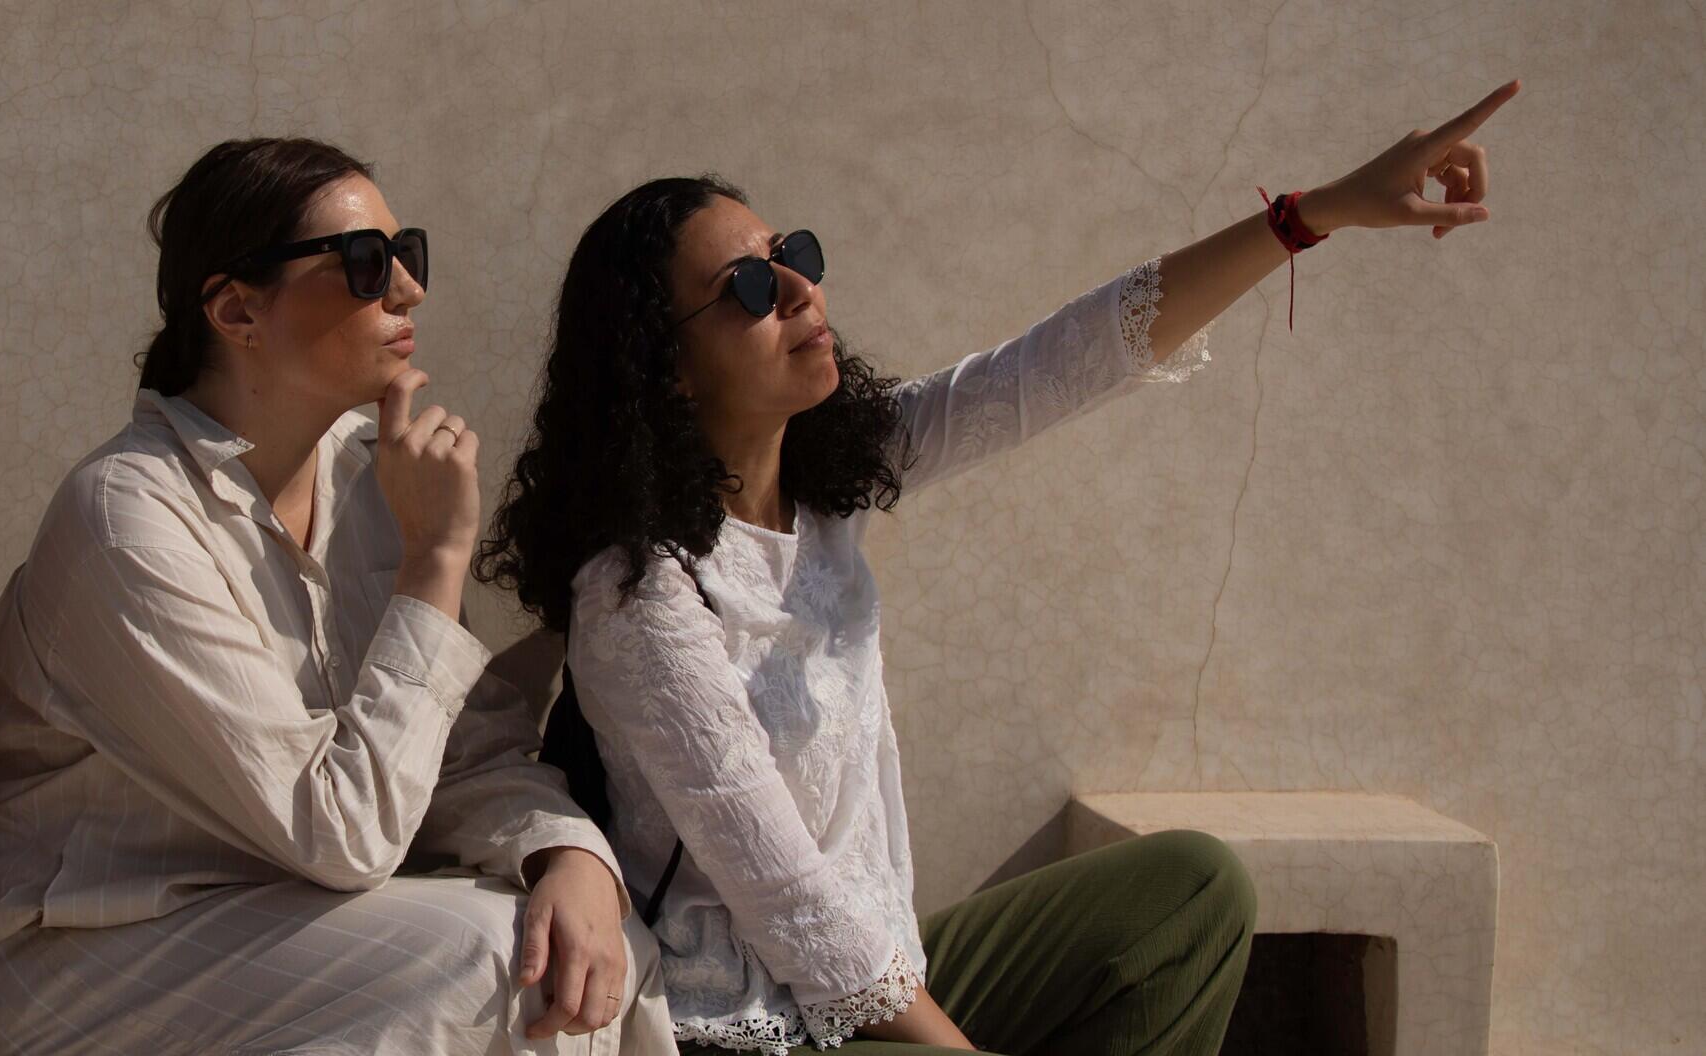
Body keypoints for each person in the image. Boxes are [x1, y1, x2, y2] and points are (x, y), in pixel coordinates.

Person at [475, 83, 1520, 1054]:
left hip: (882, 973)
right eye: (750, 284)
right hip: (745, 1023)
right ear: (667, 365)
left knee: (1194, 889)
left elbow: (1067, 360)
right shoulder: (641, 596)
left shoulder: (828, 486)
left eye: (790, 252)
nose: (799, 288)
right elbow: (793, 906)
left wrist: (1311, 215)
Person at [0, 138, 676, 1054]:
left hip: (281, 919)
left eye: (410, 254)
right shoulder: (128, 516)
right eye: (365, 264)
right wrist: (434, 560)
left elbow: (463, 753)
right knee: (488, 959)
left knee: (590, 945)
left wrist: (566, 853)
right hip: (73, 953)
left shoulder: (368, 474)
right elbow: (340, 834)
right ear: (237, 309)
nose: (408, 288)